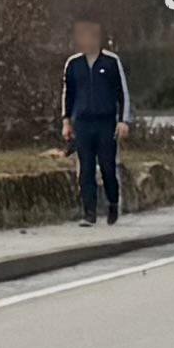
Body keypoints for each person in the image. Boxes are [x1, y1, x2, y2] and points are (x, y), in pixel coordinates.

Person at [61, 17, 132, 226]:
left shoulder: (111, 62)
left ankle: (112, 203)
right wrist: (66, 121)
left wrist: (123, 121)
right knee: (86, 168)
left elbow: (122, 93)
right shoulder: (73, 64)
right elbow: (68, 94)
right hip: (83, 122)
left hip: (106, 122)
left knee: (108, 167)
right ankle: (89, 212)